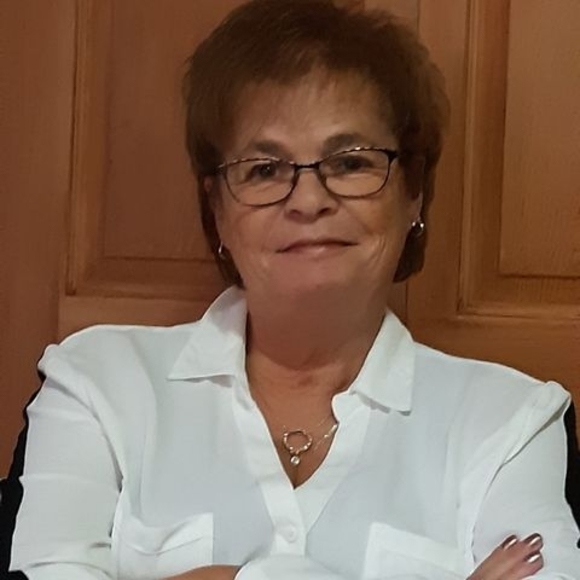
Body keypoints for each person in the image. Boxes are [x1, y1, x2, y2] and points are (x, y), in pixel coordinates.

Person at [1, 1, 579, 579]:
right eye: (264, 169)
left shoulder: (512, 424)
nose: (308, 200)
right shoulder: (98, 386)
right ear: (217, 210)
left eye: (350, 163)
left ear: (414, 194)